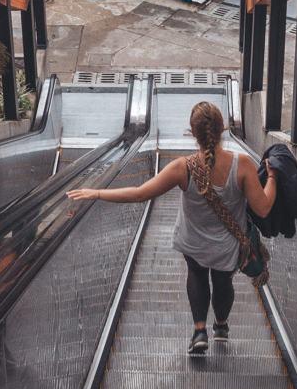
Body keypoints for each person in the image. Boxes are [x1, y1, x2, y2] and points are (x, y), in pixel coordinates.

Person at [67, 101, 278, 355]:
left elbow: (139, 194)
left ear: (192, 132)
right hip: (227, 246)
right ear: (222, 129)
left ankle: (199, 332)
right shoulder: (241, 165)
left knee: (197, 276)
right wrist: (273, 178)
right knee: (223, 282)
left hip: (193, 242)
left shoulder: (183, 167)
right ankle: (221, 327)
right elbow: (263, 208)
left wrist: (97, 193)